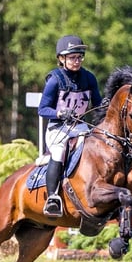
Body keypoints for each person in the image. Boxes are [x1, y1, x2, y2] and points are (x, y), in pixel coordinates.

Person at [37, 35, 102, 217]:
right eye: (72, 57)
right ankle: (52, 198)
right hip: (58, 128)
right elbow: (42, 109)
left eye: (80, 56)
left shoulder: (89, 78)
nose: (77, 60)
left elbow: (97, 104)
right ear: (61, 58)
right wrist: (60, 113)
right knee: (58, 152)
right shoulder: (55, 80)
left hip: (81, 127)